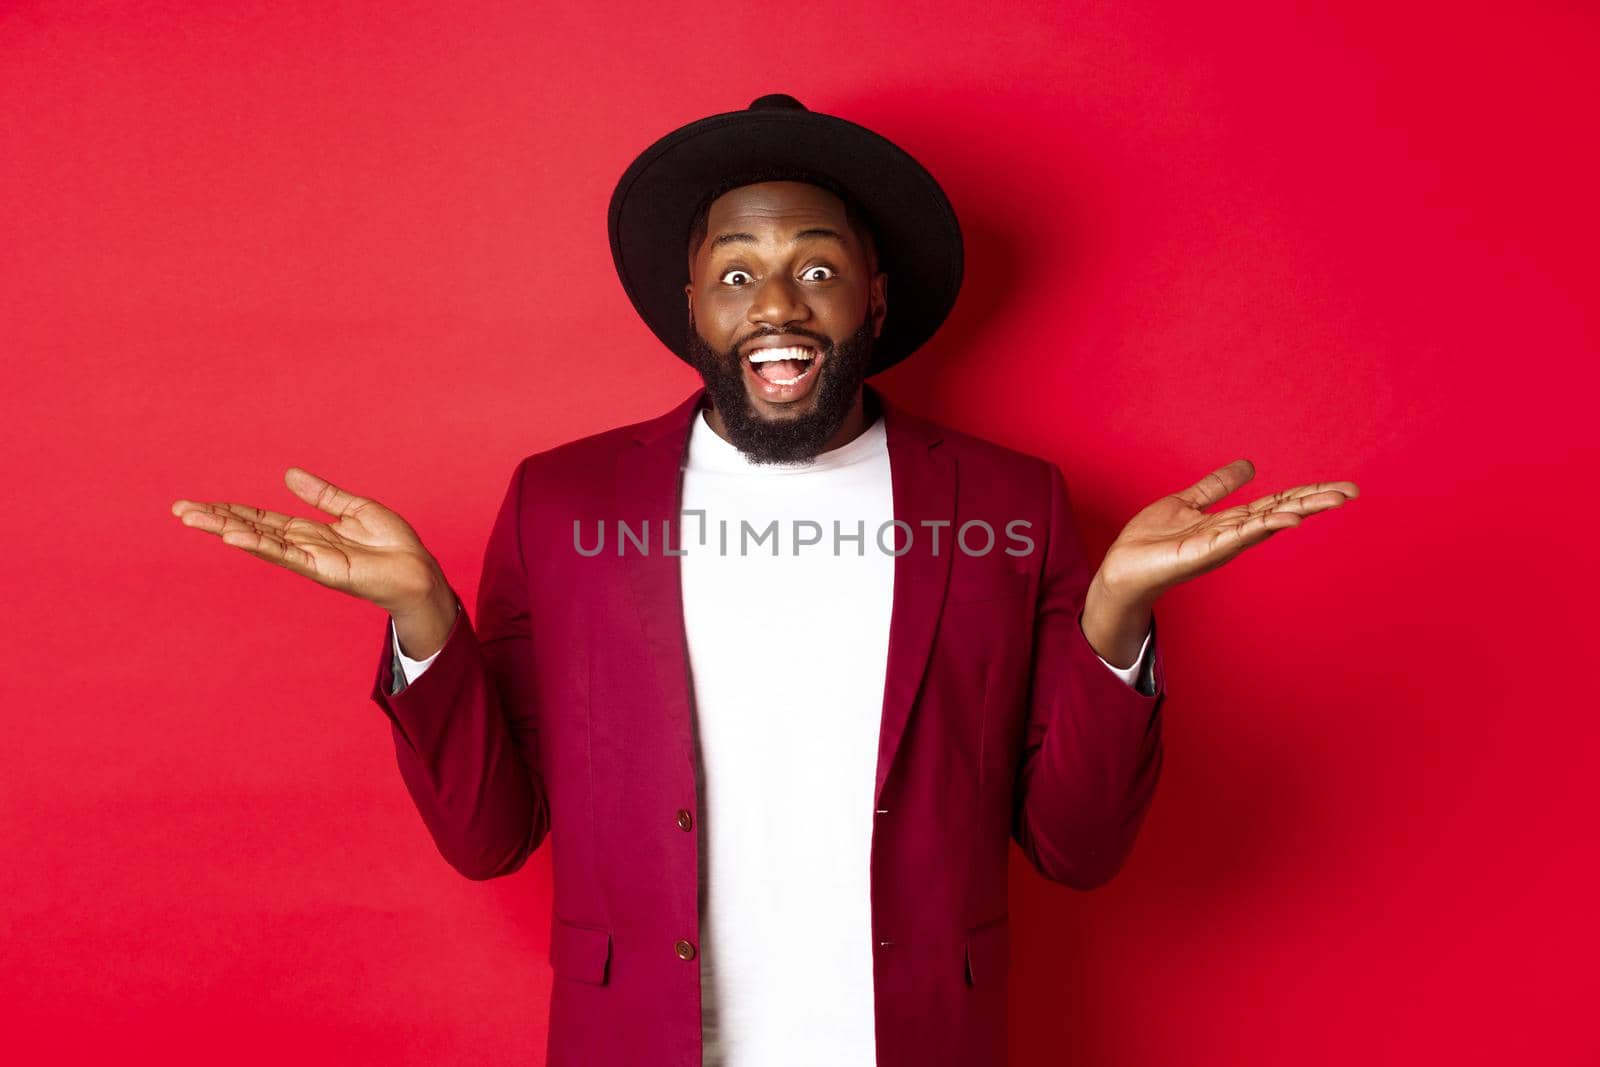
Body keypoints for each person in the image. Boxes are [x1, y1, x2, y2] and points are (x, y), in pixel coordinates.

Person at [172, 94, 1359, 1067]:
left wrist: (1114, 621)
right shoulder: (565, 501)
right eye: (734, 273)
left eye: (815, 266)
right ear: (689, 306)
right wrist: (424, 622)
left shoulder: (1012, 505)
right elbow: (490, 835)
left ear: (874, 298)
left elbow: (1077, 847)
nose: (776, 303)